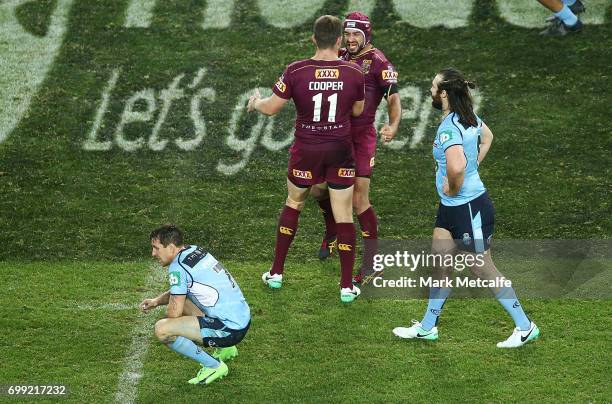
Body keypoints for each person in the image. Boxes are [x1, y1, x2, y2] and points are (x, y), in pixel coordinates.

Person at [392, 68, 540, 348]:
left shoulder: (449, 127)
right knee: (440, 263)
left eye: (434, 87)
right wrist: (471, 169)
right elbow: (488, 138)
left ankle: (525, 326)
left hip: (469, 207)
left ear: (444, 94)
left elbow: (456, 166)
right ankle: (427, 326)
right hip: (450, 210)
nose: (430, 91)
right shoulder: (466, 117)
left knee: (482, 269)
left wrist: (455, 185)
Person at [247, 15, 365, 303]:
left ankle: (276, 273)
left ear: (313, 39)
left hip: (306, 150)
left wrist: (255, 102)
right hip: (339, 149)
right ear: (339, 41)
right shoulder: (354, 73)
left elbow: (272, 107)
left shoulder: (296, 70)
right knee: (344, 214)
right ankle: (346, 286)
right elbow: (359, 111)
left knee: (294, 203)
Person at [311, 12, 402, 286]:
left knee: (359, 200)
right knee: (317, 188)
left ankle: (372, 262)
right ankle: (332, 231)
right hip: (335, 135)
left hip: (361, 139)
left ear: (366, 35)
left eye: (356, 35)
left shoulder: (378, 62)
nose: (351, 40)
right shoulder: (337, 54)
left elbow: (393, 98)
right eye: (347, 34)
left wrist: (394, 124)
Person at [140, 224, 251, 384]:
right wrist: (157, 301)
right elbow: (182, 293)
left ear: (171, 247)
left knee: (163, 329)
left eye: (156, 248)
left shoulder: (177, 268)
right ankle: (226, 349)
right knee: (184, 299)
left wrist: (173, 314)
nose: (153, 253)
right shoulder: (195, 250)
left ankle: (214, 366)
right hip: (241, 318)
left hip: (230, 330)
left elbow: (174, 314)